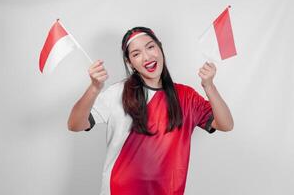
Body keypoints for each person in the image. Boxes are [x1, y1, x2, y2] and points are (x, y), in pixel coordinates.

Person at [67, 26, 234, 195]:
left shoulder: (186, 96)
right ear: (129, 63)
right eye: (136, 54)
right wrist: (94, 88)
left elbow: (225, 124)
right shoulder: (117, 93)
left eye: (150, 47)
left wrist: (209, 86)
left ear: (160, 48)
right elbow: (75, 124)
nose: (146, 57)